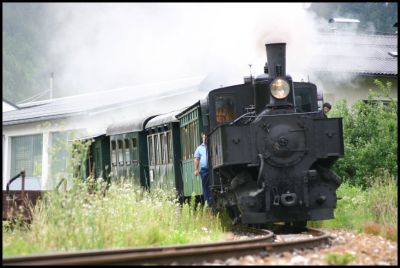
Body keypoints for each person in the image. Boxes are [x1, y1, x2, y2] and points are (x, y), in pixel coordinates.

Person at [194, 131, 212, 206]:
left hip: (213, 168)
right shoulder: (199, 148)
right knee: (206, 187)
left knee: (212, 186)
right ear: (202, 137)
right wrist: (196, 169)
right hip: (204, 170)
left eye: (206, 137)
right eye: (203, 137)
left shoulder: (212, 145)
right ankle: (207, 204)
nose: (205, 139)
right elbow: (196, 159)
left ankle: (212, 202)